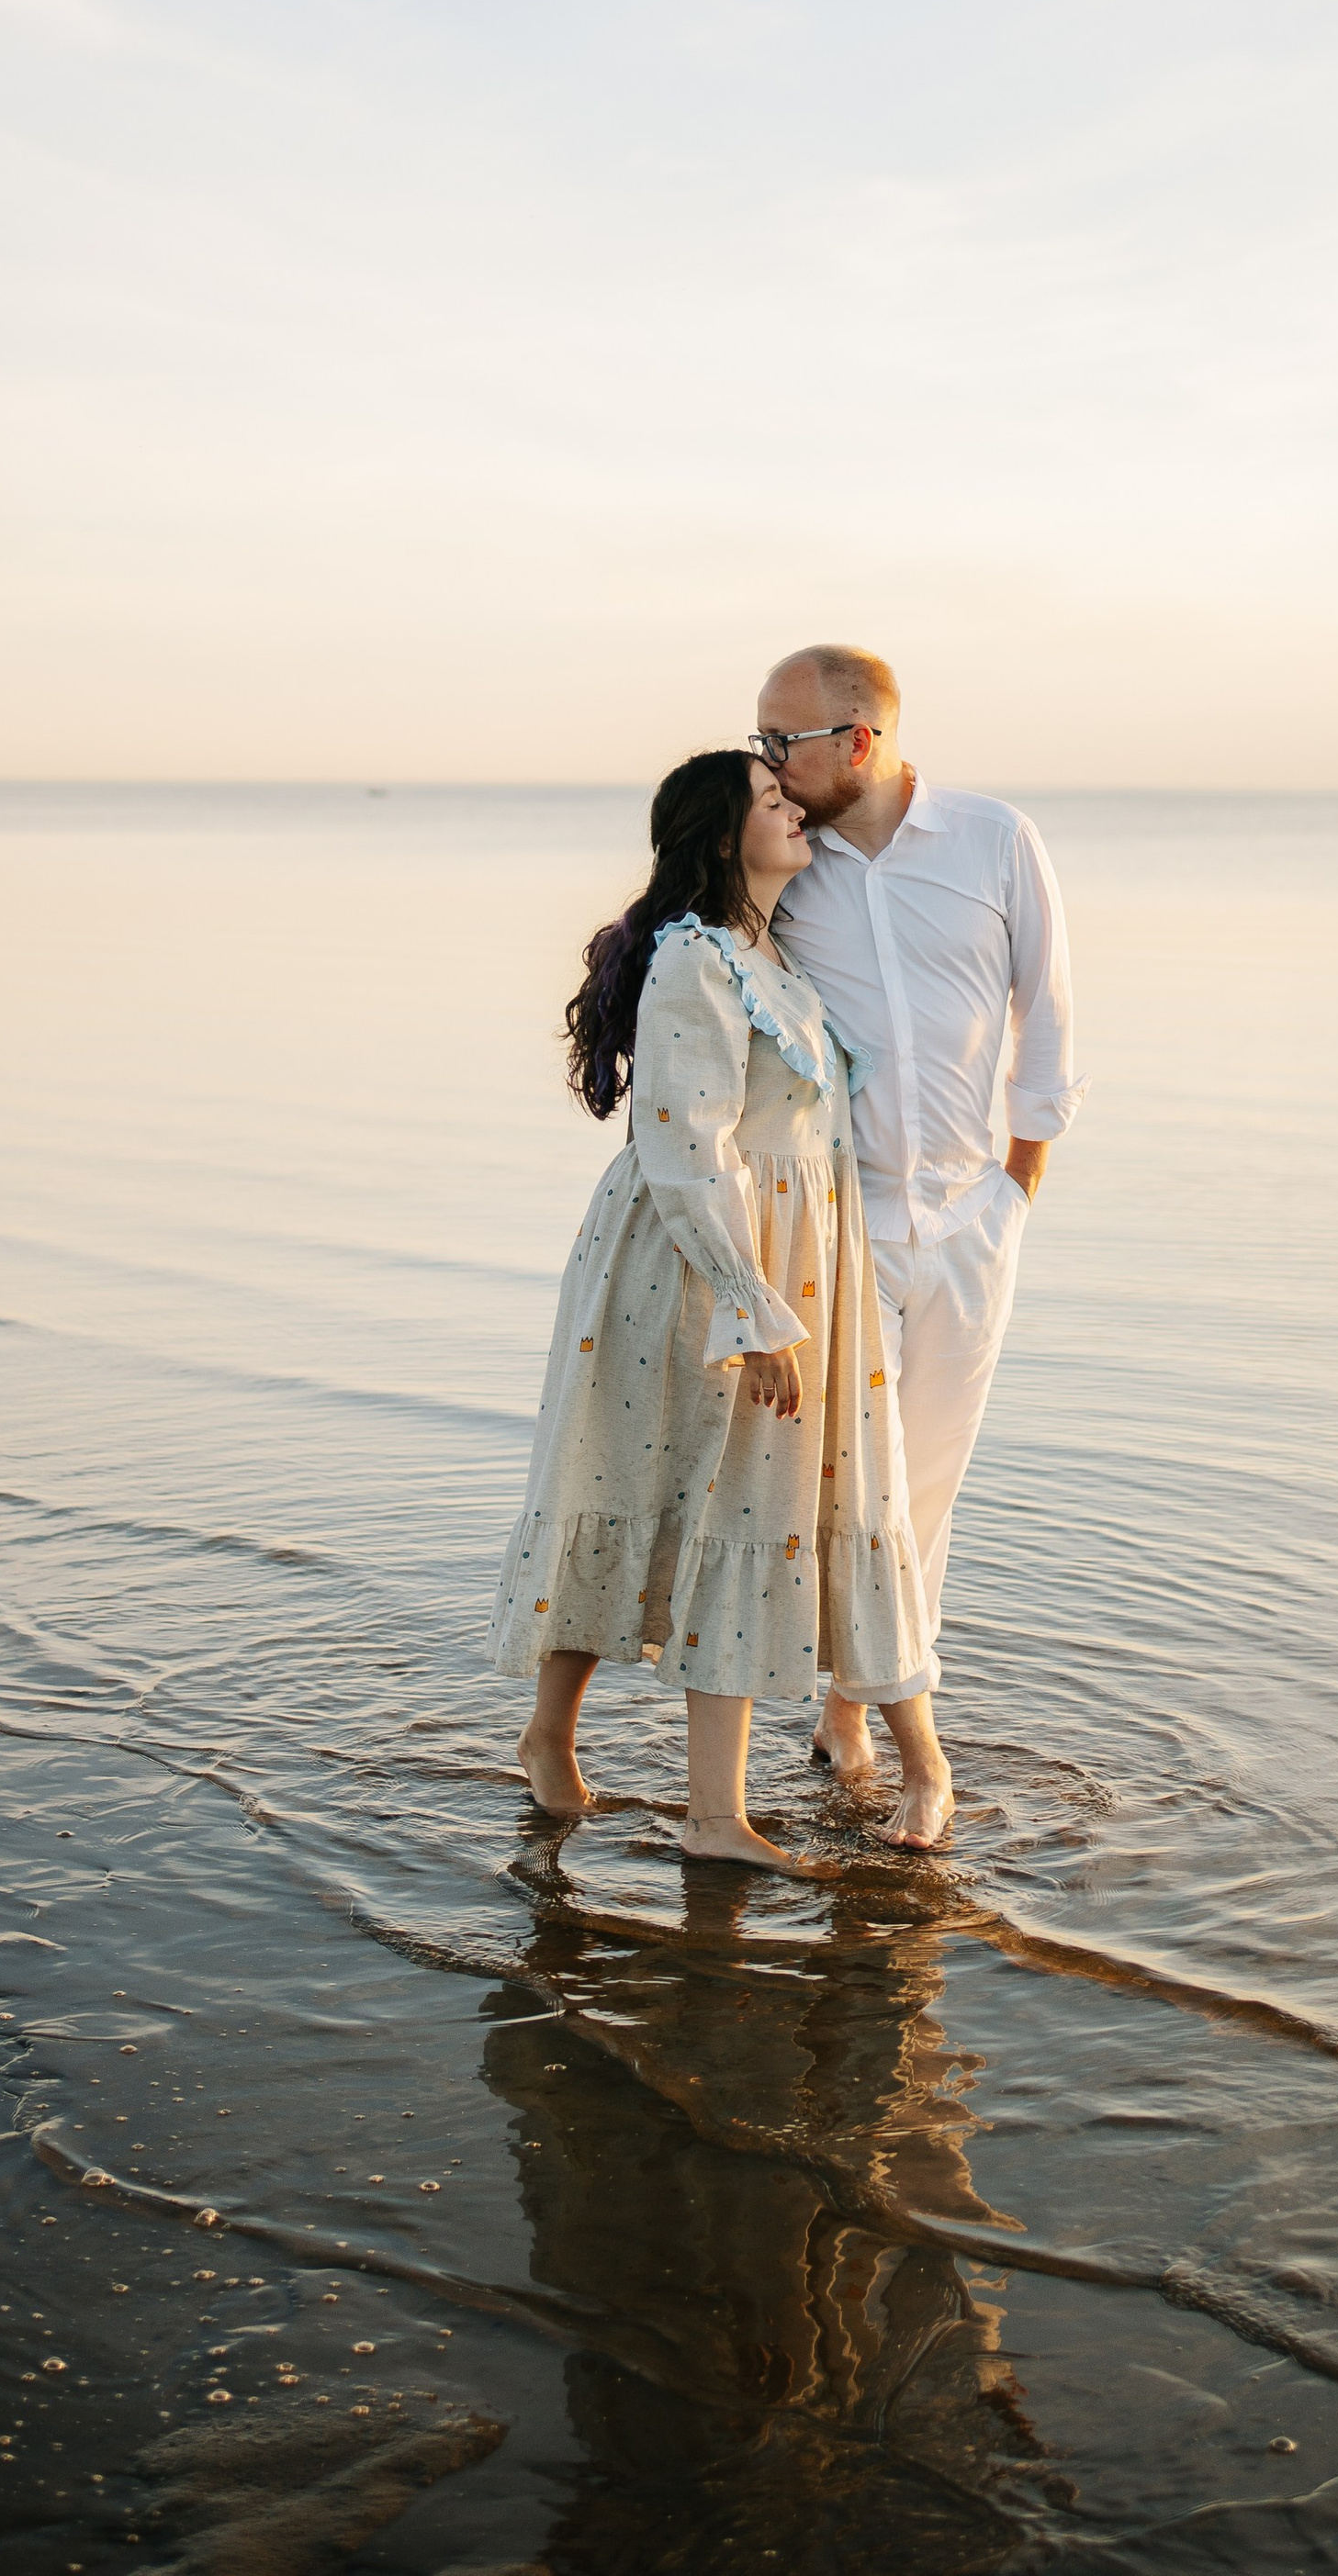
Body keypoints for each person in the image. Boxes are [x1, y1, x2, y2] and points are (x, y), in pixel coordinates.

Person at [489, 748, 954, 1860]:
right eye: (770, 802)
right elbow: (688, 1147)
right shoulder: (694, 960)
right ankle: (692, 1808)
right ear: (717, 834)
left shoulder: (769, 953)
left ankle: (603, 1763)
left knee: (705, 1498)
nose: (795, 812)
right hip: (702, 1261)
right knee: (684, 1493)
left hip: (794, 1259)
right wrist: (751, 1308)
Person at [755, 645, 1085, 1787]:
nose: (766, 763)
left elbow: (1046, 1011)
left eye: (780, 741)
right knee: (865, 1485)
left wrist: (1019, 1182)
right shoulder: (781, 859)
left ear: (857, 740)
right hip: (839, 1229)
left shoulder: (996, 840)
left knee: (927, 1484)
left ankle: (851, 1708)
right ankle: (912, 1747)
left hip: (971, 1223)